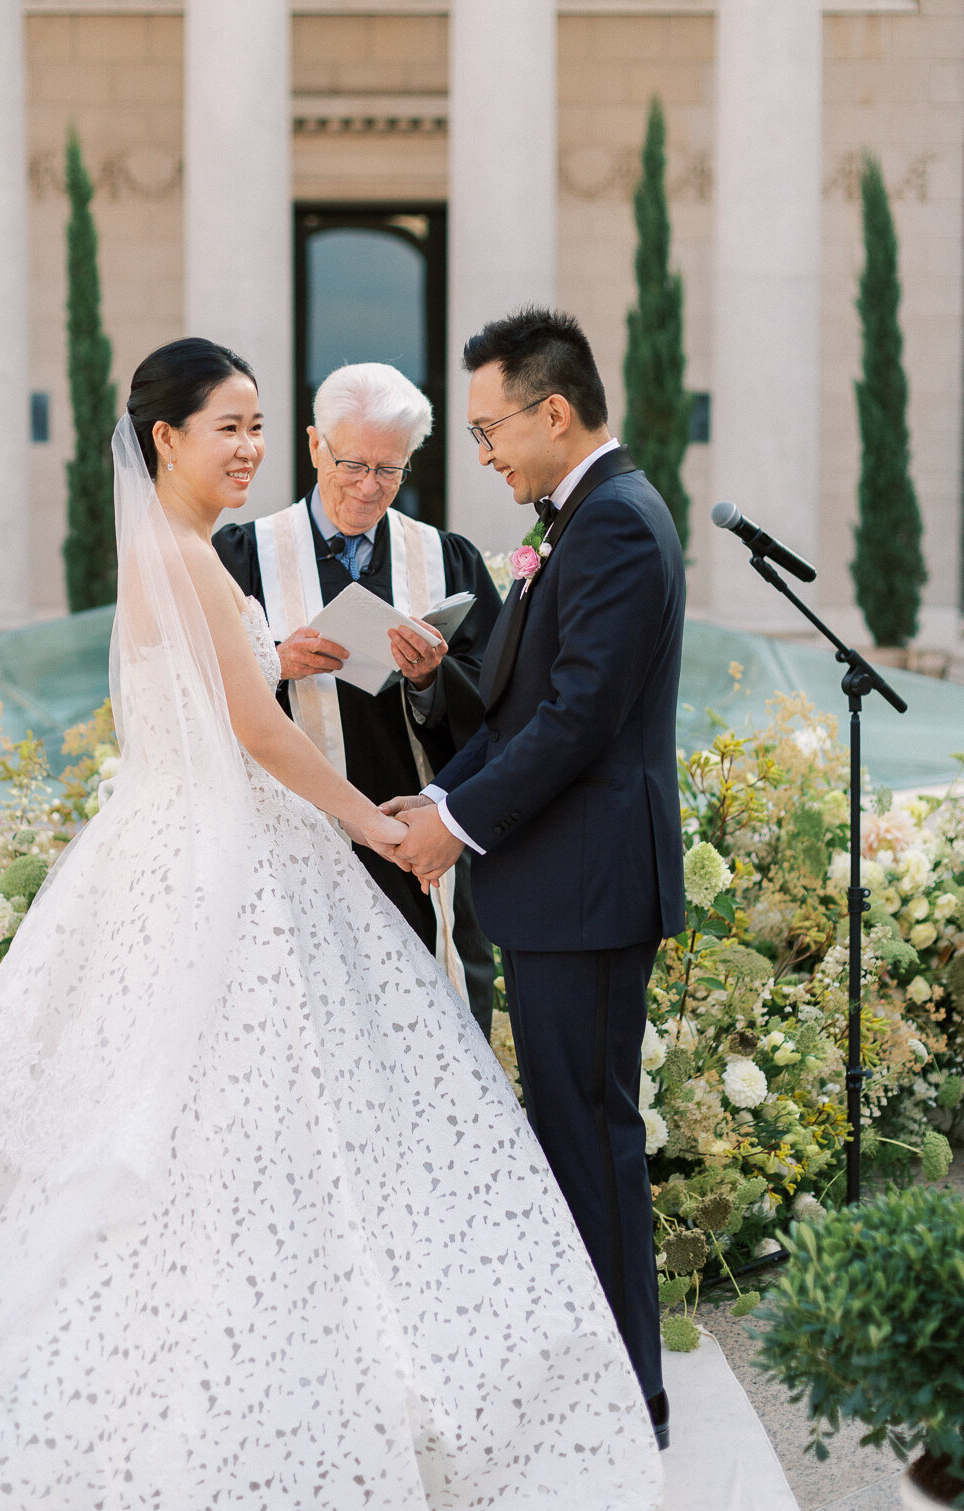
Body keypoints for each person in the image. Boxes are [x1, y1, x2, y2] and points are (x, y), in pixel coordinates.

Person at [0, 337, 661, 1511]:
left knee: (239, 1121)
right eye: (228, 427)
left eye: (253, 423)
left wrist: (284, 664)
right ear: (166, 439)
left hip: (192, 843)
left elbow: (228, 690)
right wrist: (380, 826)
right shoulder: (190, 554)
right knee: (222, 1117)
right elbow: (246, 731)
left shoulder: (183, 555)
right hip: (223, 855)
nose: (245, 447)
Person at [385, 307, 686, 1450]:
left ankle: (630, 1402)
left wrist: (453, 824)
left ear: (553, 410)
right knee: (569, 1131)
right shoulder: (583, 520)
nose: (486, 455)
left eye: (488, 429)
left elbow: (576, 723)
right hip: (564, 886)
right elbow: (520, 709)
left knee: (591, 1137)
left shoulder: (613, 525)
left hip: (589, 889)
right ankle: (602, 1386)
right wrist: (441, 790)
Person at [214, 363, 501, 1035]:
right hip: (280, 849)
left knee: (423, 1034)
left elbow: (499, 713)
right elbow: (184, 692)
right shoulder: (242, 555)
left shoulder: (445, 559)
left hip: (408, 847)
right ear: (315, 446)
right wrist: (273, 664)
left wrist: (432, 680)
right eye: (352, 465)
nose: (370, 488)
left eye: (390, 470)